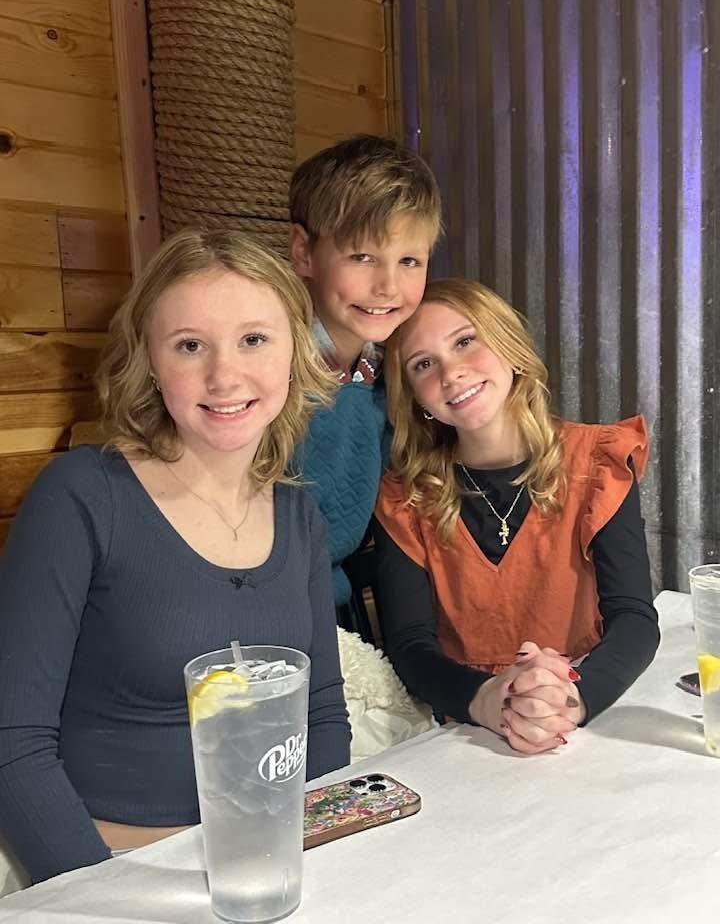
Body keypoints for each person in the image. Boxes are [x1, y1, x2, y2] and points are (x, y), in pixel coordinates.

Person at [0, 229, 350, 884]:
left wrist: (320, 861)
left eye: (254, 339)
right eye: (190, 345)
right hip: (120, 870)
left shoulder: (299, 513)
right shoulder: (81, 497)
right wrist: (100, 895)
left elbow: (323, 710)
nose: (224, 375)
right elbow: (11, 744)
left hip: (274, 866)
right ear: (151, 363)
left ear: (294, 354)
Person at [373, 278, 660, 754]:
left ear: (511, 347)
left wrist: (571, 699)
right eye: (423, 364)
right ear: (414, 398)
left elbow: (633, 617)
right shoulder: (404, 498)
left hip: (581, 712)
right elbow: (410, 645)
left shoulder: (597, 462)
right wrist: (488, 699)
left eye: (465, 341)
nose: (451, 373)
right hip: (465, 723)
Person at [288, 134, 442, 622]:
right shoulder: (267, 370)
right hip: (269, 609)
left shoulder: (395, 366)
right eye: (362, 257)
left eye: (409, 261)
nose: (388, 287)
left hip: (343, 605)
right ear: (303, 252)